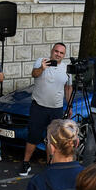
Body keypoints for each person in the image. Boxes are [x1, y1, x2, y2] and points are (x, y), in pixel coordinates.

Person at [22, 43, 72, 176]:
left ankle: (51, 165)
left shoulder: (67, 68)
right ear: (52, 51)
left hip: (56, 108)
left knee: (53, 138)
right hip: (39, 106)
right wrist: (42, 68)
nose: (58, 54)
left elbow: (68, 88)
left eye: (61, 53)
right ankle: (25, 163)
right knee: (33, 136)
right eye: (56, 51)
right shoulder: (41, 61)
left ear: (64, 55)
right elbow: (34, 74)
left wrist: (70, 105)